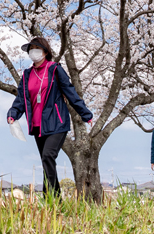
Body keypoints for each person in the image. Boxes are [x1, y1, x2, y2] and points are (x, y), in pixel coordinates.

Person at [7, 37, 94, 197]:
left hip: (56, 122)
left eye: (36, 48)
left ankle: (55, 199)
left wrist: (85, 113)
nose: (33, 51)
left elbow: (70, 91)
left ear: (45, 51)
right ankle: (49, 201)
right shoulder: (27, 75)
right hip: (38, 124)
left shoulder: (54, 69)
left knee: (48, 156)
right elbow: (21, 98)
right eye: (30, 48)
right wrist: (13, 114)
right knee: (46, 162)